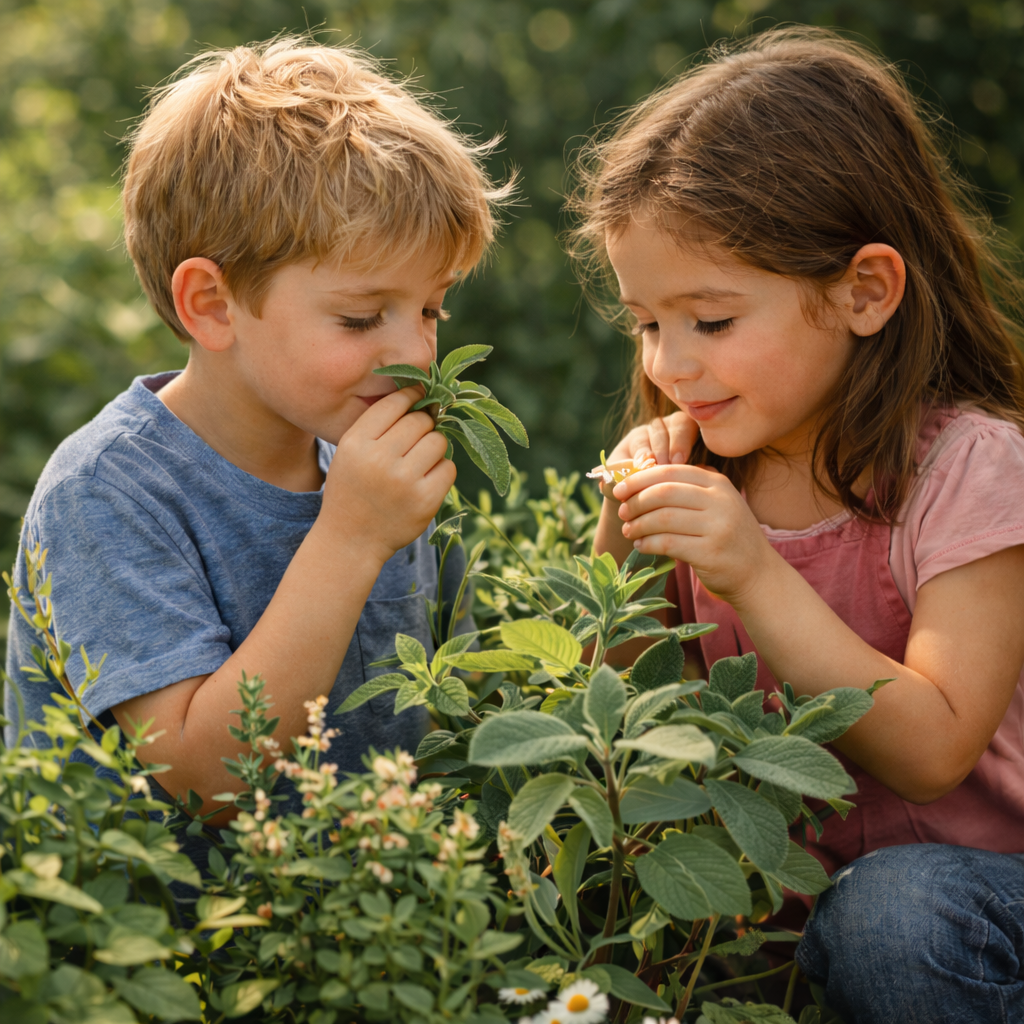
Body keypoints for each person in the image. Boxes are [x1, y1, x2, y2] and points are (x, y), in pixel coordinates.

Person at [570, 27, 1024, 1024]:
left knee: (890, 915)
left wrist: (750, 572)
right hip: (786, 911)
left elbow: (933, 750)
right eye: (647, 322)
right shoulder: (705, 464)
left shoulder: (968, 469)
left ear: (864, 291)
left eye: (711, 320)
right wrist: (623, 541)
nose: (668, 366)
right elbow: (631, 711)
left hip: (981, 907)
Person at [4, 39, 506, 861]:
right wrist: (349, 537)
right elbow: (203, 780)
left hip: (378, 945)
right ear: (212, 305)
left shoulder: (364, 463)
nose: (416, 352)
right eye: (359, 317)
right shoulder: (107, 492)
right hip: (168, 963)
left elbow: (458, 698)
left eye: (432, 310)